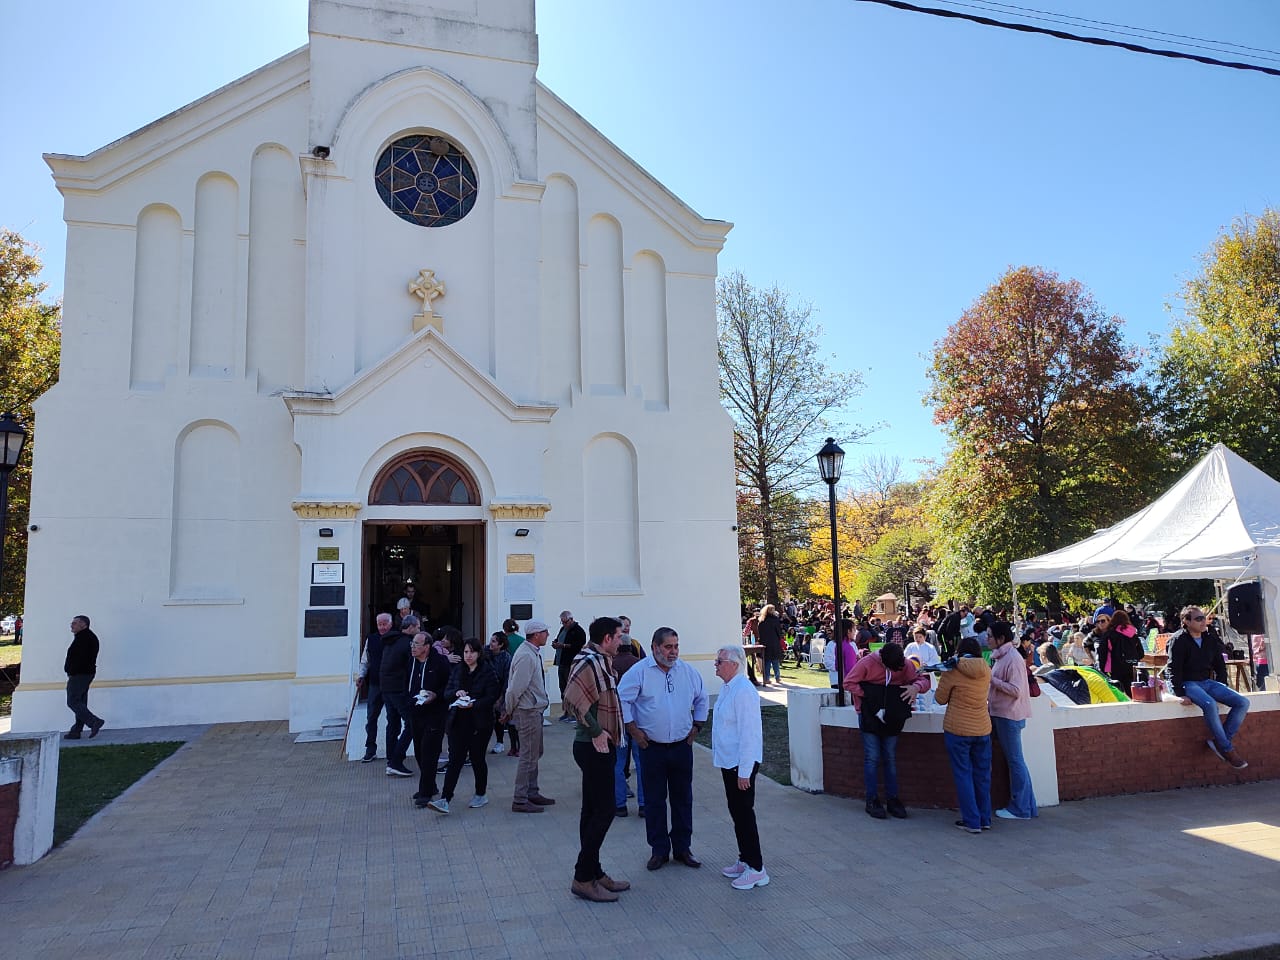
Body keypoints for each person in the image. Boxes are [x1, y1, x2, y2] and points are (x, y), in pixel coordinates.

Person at [617, 627, 709, 870]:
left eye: (676, 646)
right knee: (655, 801)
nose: (673, 652)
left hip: (681, 747)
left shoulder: (687, 671)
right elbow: (622, 700)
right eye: (668, 647)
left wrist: (697, 726)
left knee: (683, 799)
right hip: (652, 748)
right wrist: (634, 731)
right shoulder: (639, 672)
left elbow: (702, 698)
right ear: (655, 647)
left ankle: (682, 848)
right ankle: (659, 850)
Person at [563, 616, 630, 903]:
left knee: (591, 810)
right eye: (618, 635)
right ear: (606, 638)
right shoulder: (589, 660)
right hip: (593, 746)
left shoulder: (600, 659)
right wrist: (596, 731)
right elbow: (573, 699)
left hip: (602, 743)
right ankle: (582, 877)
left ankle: (594, 871)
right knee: (604, 811)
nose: (622, 640)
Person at [842, 641, 930, 820]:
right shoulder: (867, 663)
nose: (895, 672)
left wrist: (915, 687)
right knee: (872, 756)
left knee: (889, 756)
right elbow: (848, 682)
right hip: (869, 715)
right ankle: (872, 799)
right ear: (882, 661)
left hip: (893, 716)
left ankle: (893, 799)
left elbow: (923, 680)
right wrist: (871, 696)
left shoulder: (904, 664)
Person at [712, 645, 768, 890]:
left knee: (745, 814)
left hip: (740, 764)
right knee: (737, 813)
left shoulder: (743, 691)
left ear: (734, 664)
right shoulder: (728, 688)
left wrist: (745, 771)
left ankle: (756, 868)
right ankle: (744, 858)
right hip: (729, 762)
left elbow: (750, 734)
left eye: (720, 660)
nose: (716, 664)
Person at [1169, 605, 1250, 769]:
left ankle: (1221, 742)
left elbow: (1219, 664)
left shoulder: (1209, 638)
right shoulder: (1178, 640)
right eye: (1198, 619)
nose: (1203, 622)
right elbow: (1173, 667)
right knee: (1210, 705)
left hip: (1207, 682)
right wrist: (1178, 692)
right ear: (1186, 621)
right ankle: (1227, 749)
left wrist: (1222, 683)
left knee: (1243, 702)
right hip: (1188, 683)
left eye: (1203, 618)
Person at [428, 636, 499, 813]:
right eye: (466, 652)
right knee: (455, 761)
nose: (468, 656)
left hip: (479, 723)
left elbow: (492, 695)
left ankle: (481, 793)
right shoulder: (458, 670)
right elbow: (447, 692)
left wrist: (474, 703)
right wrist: (456, 693)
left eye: (472, 652)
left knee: (477, 758)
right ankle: (445, 799)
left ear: (478, 653)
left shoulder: (487, 671)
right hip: (458, 721)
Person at [935, 637, 993, 834]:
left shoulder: (953, 669)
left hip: (958, 728)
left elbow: (940, 699)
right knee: (983, 775)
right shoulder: (985, 668)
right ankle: (985, 818)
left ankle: (971, 821)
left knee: (963, 775)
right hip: (982, 727)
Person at [501, 620, 556, 813]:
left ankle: (532, 792)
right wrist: (508, 710)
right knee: (528, 756)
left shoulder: (531, 653)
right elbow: (515, 688)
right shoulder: (526, 656)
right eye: (544, 632)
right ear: (535, 635)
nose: (547, 635)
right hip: (528, 711)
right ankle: (520, 798)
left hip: (534, 710)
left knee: (534, 753)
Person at [987, 622, 1037, 821]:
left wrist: (991, 680)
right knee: (1015, 761)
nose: (987, 639)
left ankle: (1021, 808)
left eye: (990, 635)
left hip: (1009, 715)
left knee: (1016, 761)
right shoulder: (1002, 657)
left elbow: (1016, 690)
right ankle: (1027, 806)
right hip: (1001, 713)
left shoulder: (1013, 658)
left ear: (1000, 638)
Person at [406, 631, 450, 808]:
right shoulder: (411, 662)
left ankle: (425, 792)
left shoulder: (440, 663)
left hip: (435, 714)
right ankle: (430, 786)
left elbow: (449, 686)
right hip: (416, 713)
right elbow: (406, 684)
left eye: (417, 644)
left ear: (427, 646)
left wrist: (436, 696)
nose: (413, 647)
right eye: (412, 644)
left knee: (429, 753)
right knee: (418, 751)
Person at [378, 614, 419, 777]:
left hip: (386, 688)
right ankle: (396, 760)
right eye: (417, 627)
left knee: (392, 724)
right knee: (411, 724)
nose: (419, 630)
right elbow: (412, 666)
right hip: (398, 689)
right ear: (410, 627)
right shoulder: (407, 643)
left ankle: (391, 760)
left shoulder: (391, 640)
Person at [610, 631, 645, 817]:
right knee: (641, 763)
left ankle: (619, 804)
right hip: (638, 720)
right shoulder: (639, 665)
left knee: (618, 764)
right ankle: (644, 804)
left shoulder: (610, 664)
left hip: (618, 720)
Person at [357, 613, 394, 762]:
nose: (382, 627)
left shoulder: (396, 639)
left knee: (392, 719)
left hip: (392, 686)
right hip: (374, 684)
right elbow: (365, 661)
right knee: (371, 717)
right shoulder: (371, 639)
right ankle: (370, 749)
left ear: (390, 624)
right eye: (380, 624)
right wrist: (360, 675)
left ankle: (392, 752)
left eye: (385, 624)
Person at [64, 615, 104, 739]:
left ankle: (93, 722)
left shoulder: (85, 638)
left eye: (75, 623)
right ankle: (76, 730)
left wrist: (71, 670)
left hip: (80, 674)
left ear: (83, 624)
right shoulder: (84, 637)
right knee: (80, 702)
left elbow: (80, 658)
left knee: (73, 701)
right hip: (83, 673)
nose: (72, 625)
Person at [553, 610, 586, 722]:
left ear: (571, 619)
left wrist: (564, 645)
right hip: (561, 662)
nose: (563, 624)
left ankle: (573, 714)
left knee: (571, 689)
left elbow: (579, 646)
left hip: (571, 664)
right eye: (562, 622)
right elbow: (559, 639)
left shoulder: (578, 631)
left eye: (565, 622)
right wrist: (556, 643)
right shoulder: (563, 629)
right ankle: (566, 712)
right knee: (563, 688)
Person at [1098, 609, 1141, 693]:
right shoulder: (1133, 634)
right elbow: (1141, 652)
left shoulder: (1109, 634)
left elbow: (1103, 652)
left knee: (1117, 692)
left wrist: (1102, 668)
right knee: (1131, 691)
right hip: (1132, 665)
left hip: (1116, 667)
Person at [487, 632, 516, 756]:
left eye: (494, 641)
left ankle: (500, 742)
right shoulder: (485, 653)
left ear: (501, 644)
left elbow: (507, 679)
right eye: (491, 640)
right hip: (486, 689)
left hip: (499, 690)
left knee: (499, 716)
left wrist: (501, 697)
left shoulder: (506, 658)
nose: (490, 644)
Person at [757, 604, 785, 686]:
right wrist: (780, 638)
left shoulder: (761, 620)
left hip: (765, 642)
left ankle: (766, 678)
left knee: (767, 661)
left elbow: (760, 633)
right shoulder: (775, 619)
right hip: (774, 642)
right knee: (775, 661)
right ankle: (777, 677)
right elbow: (778, 631)